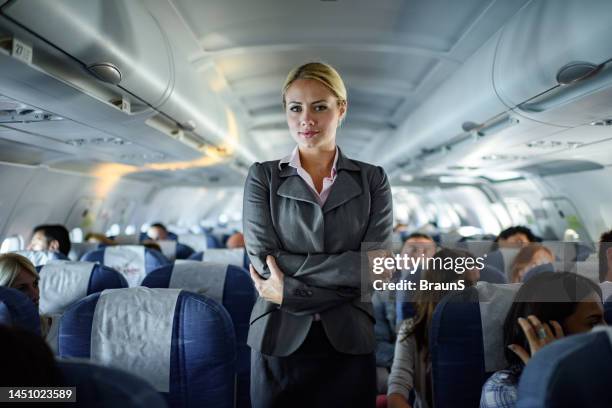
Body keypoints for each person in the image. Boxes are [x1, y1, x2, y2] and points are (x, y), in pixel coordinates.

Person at [243, 61, 393, 408]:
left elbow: (377, 267)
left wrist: (290, 289)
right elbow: (265, 263)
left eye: (319, 106)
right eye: (295, 108)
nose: (306, 119)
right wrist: (345, 273)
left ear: (341, 109)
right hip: (278, 336)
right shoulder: (263, 178)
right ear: (286, 112)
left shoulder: (373, 180)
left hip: (350, 339)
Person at [480, 272, 605, 408]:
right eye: (593, 322)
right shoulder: (504, 390)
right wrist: (547, 376)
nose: (606, 329)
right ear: (548, 330)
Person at [387, 248, 478, 408]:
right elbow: (396, 393)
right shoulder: (412, 330)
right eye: (466, 285)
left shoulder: (486, 326)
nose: (475, 293)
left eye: (475, 285)